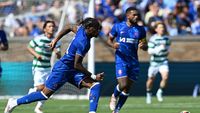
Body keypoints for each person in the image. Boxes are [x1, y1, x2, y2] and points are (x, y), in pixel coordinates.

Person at [4, 17, 104, 113]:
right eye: (96, 29)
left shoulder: (81, 30)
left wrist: (55, 40)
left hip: (71, 69)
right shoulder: (83, 42)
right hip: (63, 69)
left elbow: (68, 26)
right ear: (89, 28)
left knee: (95, 85)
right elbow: (77, 65)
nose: (98, 31)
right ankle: (13, 102)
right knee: (44, 95)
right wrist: (93, 75)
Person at [107, 7, 148, 113]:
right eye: (134, 15)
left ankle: (117, 110)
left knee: (127, 88)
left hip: (134, 61)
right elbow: (109, 40)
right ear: (128, 15)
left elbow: (145, 46)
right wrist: (113, 45)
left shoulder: (141, 30)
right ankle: (114, 96)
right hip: (121, 59)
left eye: (137, 15)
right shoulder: (118, 27)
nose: (136, 17)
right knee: (123, 84)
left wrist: (144, 46)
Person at [27, 20, 61, 113]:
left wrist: (57, 53)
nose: (52, 28)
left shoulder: (56, 41)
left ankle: (38, 107)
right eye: (49, 26)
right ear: (44, 29)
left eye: (53, 26)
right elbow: (29, 47)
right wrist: (36, 55)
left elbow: (59, 55)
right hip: (38, 67)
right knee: (41, 87)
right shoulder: (38, 38)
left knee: (48, 89)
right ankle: (32, 91)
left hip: (47, 67)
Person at [146, 21, 171, 104]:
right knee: (150, 80)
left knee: (165, 77)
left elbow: (168, 49)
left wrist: (166, 51)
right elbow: (150, 51)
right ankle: (149, 94)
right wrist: (160, 48)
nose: (162, 29)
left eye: (163, 27)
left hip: (163, 61)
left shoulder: (167, 38)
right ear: (156, 29)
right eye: (160, 27)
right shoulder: (153, 39)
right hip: (154, 63)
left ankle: (159, 92)